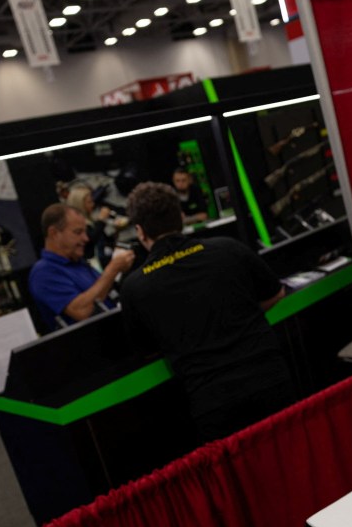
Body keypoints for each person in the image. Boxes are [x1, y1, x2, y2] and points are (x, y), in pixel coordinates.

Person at [120, 181, 295, 441]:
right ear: (180, 218)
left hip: (214, 402)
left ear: (140, 231)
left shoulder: (134, 287)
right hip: (269, 379)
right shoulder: (228, 248)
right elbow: (276, 293)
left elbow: (147, 350)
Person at [28, 204, 134, 331]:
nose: (86, 238)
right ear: (54, 233)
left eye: (85, 231)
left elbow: (104, 294)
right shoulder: (43, 274)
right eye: (78, 232)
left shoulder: (78, 262)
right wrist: (112, 270)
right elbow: (82, 311)